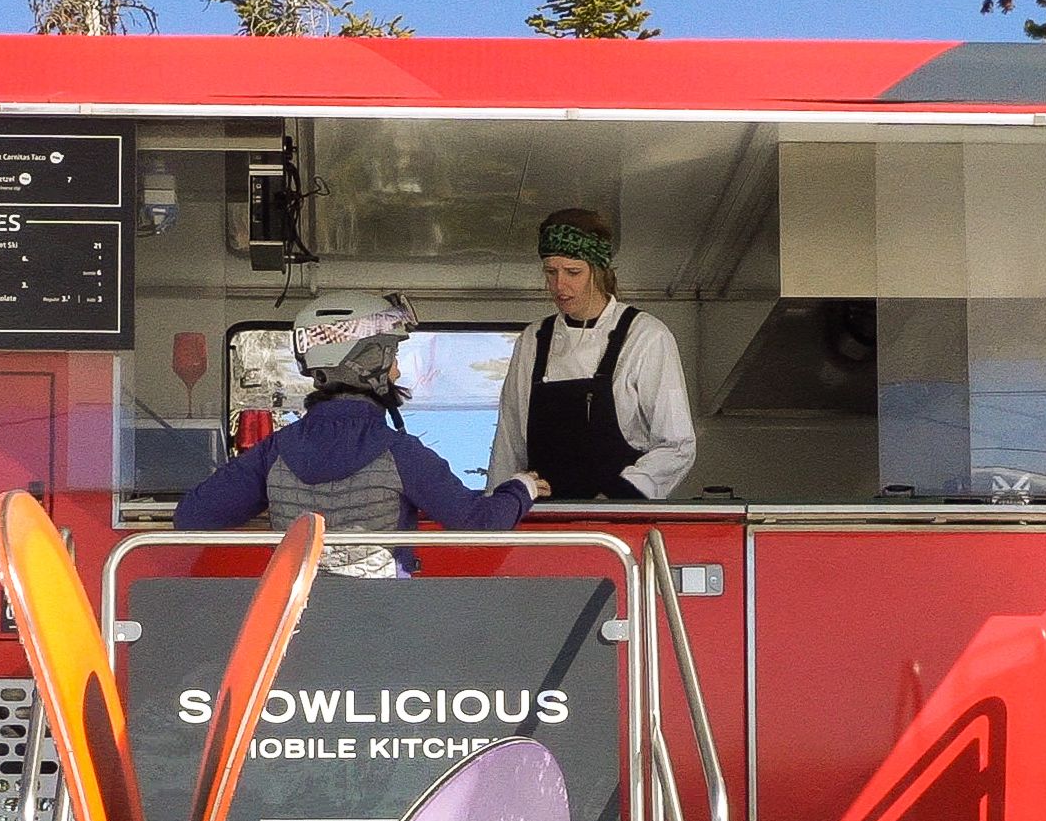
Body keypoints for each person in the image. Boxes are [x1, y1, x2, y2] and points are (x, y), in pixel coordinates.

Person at [175, 290, 538, 575]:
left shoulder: (274, 452)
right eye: (390, 357)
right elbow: (478, 524)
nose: (396, 372)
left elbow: (193, 518)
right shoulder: (400, 452)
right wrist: (523, 487)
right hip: (384, 629)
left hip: (294, 632)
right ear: (366, 364)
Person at [488, 208, 696, 503]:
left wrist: (618, 496)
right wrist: (497, 510)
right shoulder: (532, 340)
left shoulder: (646, 337)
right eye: (551, 272)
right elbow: (508, 445)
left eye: (573, 272)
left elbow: (678, 445)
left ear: (598, 271)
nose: (560, 286)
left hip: (616, 525)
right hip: (544, 525)